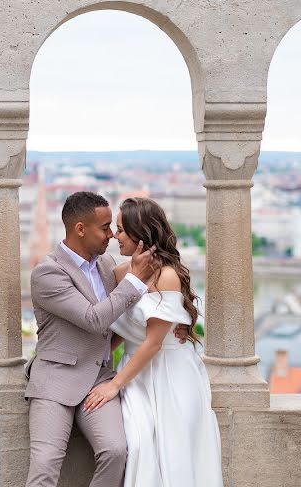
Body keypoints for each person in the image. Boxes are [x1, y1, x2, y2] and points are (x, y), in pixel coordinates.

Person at [25, 191, 187, 487]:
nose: (112, 235)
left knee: (115, 451)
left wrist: (178, 320)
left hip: (99, 377)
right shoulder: (48, 273)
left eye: (115, 228)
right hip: (55, 380)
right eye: (105, 228)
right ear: (80, 229)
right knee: (46, 461)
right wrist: (135, 280)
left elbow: (160, 279)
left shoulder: (106, 264)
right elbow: (94, 319)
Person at [82, 197, 224, 487]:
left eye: (121, 230)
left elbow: (153, 343)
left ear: (140, 234)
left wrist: (113, 385)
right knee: (139, 443)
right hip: (136, 373)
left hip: (170, 376)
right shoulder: (121, 273)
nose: (114, 236)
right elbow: (121, 327)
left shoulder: (168, 277)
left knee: (173, 455)